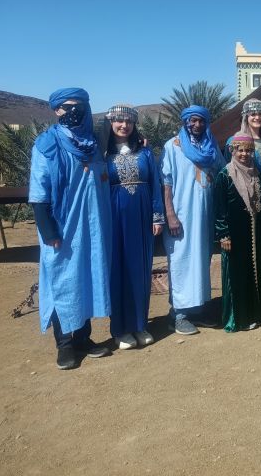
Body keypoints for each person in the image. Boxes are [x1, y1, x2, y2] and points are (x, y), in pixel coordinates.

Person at [28, 88, 111, 370]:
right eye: (65, 107)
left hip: (92, 230)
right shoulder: (47, 144)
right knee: (62, 284)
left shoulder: (93, 143)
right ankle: (64, 345)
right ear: (56, 111)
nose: (71, 110)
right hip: (62, 229)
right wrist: (48, 231)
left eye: (77, 105)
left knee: (86, 280)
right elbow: (38, 195)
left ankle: (83, 339)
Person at [103, 104, 165, 349]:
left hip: (142, 218)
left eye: (128, 121)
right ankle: (120, 330)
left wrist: (157, 216)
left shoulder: (145, 153)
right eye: (118, 121)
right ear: (110, 124)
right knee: (118, 271)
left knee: (140, 271)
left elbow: (155, 185)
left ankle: (140, 325)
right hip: (114, 220)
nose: (123, 125)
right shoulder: (102, 155)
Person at [161, 105, 226, 335]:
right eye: (193, 121)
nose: (197, 125)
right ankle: (177, 314)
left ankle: (197, 311)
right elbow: (166, 182)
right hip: (182, 215)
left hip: (205, 215)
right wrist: (170, 214)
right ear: (185, 122)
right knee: (181, 261)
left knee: (200, 262)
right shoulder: (173, 146)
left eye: (201, 121)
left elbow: (221, 172)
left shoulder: (211, 146)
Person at [215, 134, 261, 332]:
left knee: (256, 273)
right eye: (240, 150)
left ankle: (257, 314)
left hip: (255, 231)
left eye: (248, 150)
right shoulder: (225, 175)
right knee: (237, 275)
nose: (244, 154)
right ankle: (238, 319)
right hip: (234, 235)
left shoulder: (257, 174)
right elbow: (219, 208)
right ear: (232, 151)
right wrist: (223, 234)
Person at [224, 98, 261, 173]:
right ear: (246, 117)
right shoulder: (233, 140)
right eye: (253, 114)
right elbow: (227, 166)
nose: (257, 117)